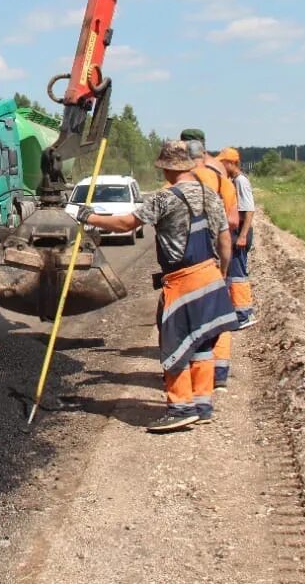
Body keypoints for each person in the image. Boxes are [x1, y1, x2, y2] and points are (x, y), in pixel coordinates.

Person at [78, 140, 238, 432]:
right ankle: (203, 404)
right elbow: (225, 241)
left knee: (173, 344)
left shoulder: (164, 199)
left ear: (167, 168)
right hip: (211, 275)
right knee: (201, 343)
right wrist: (221, 276)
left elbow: (127, 224)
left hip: (183, 281)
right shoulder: (211, 195)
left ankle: (180, 408)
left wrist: (90, 217)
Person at [180, 128, 240, 391]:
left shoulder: (178, 181)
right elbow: (233, 220)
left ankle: (194, 382)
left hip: (187, 262)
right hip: (215, 258)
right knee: (218, 314)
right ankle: (220, 373)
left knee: (187, 319)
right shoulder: (221, 177)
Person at [218, 147, 257, 331]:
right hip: (237, 232)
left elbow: (248, 210)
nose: (221, 165)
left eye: (223, 162)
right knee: (235, 274)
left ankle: (243, 315)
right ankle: (239, 313)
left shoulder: (241, 181)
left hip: (241, 232)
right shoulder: (233, 180)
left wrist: (242, 236)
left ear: (232, 163)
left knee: (238, 275)